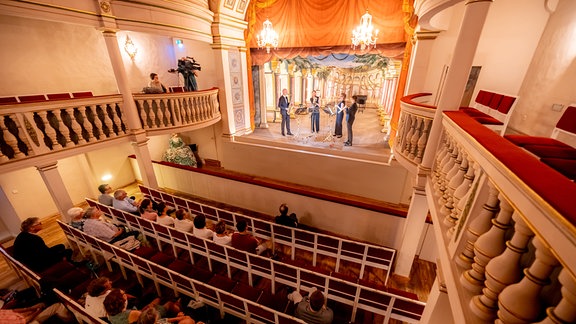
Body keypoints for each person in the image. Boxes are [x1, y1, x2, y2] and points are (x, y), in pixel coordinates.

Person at [0, 302, 73, 324]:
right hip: (27, 321)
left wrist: (32, 308)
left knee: (42, 304)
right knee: (58, 306)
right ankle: (71, 321)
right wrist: (37, 311)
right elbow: (24, 321)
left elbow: (14, 310)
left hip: (22, 317)